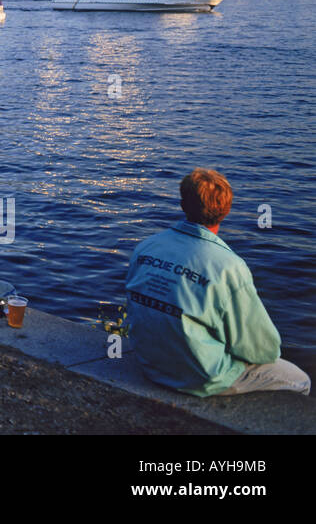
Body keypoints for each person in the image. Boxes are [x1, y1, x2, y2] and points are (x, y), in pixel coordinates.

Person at [124, 169, 310, 397]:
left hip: (150, 364)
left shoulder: (146, 247)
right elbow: (264, 350)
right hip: (200, 377)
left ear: (183, 205)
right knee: (300, 380)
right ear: (226, 211)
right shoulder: (228, 266)